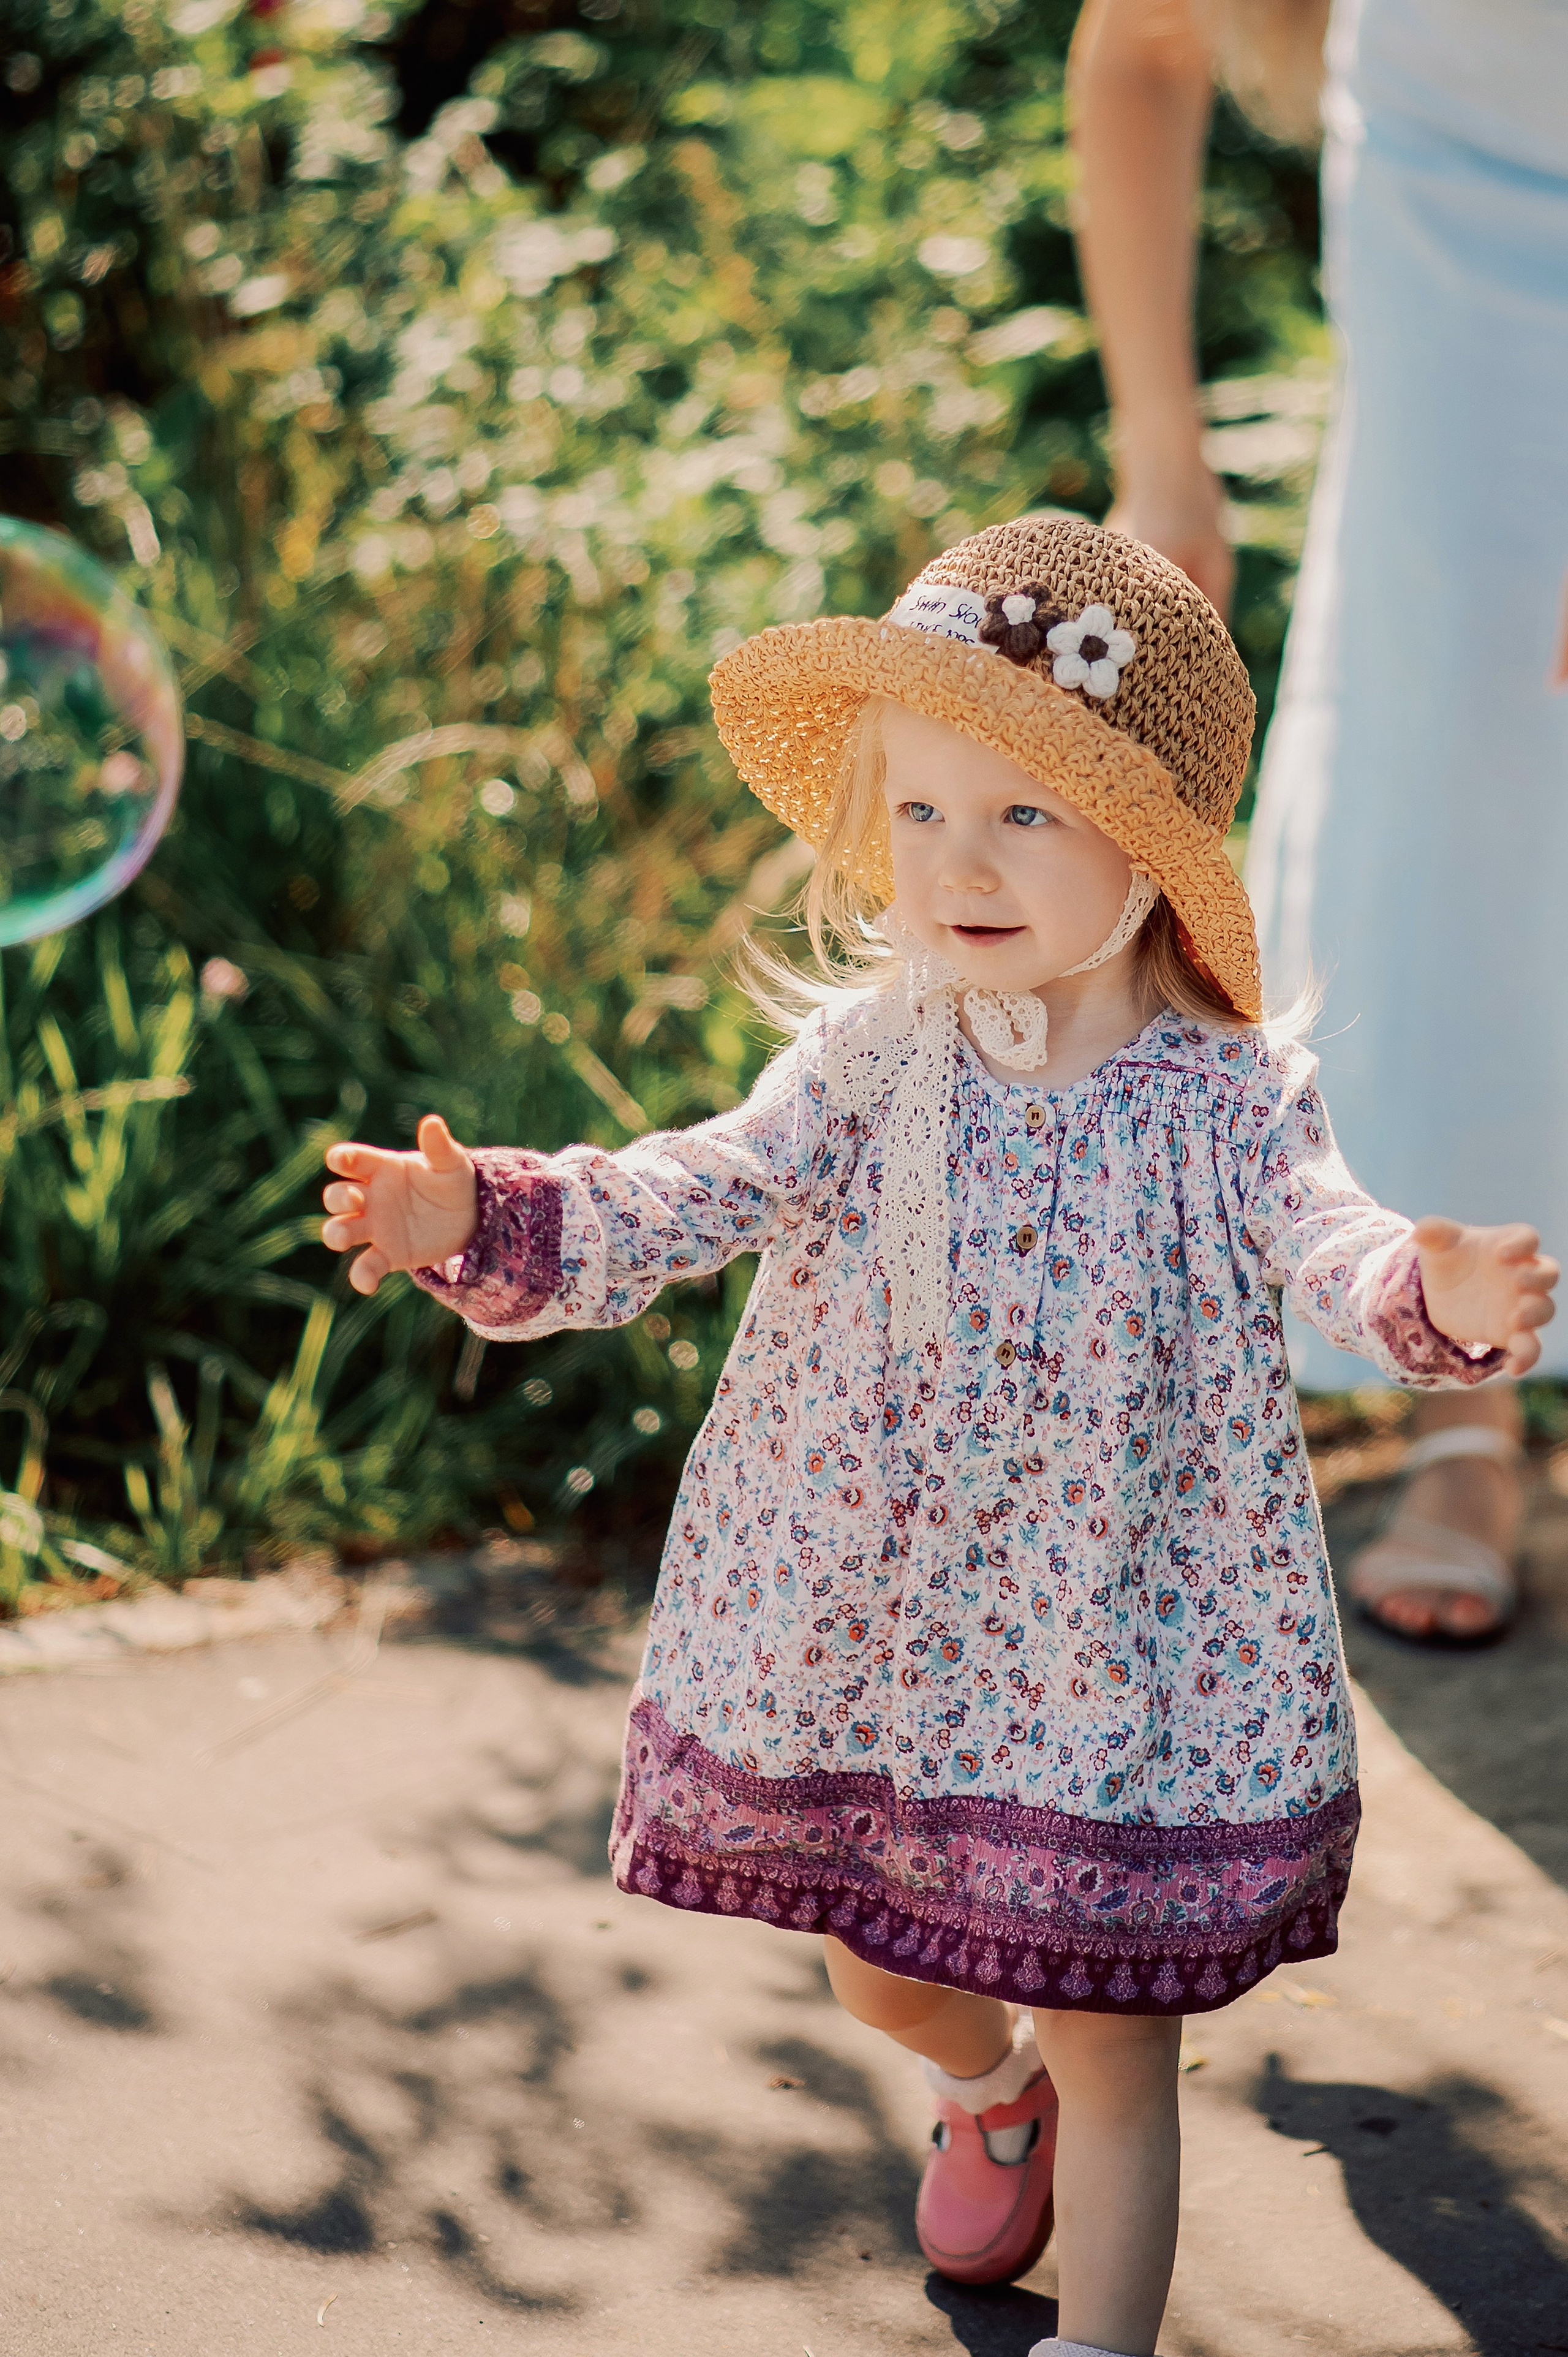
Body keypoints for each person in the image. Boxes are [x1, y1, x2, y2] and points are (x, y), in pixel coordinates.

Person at [320, 516, 1556, 2357]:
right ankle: (988, 2095)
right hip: (889, 1640)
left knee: (1120, 2037)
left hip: (1123, 1648)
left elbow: (1335, 1244)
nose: (958, 862)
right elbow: (689, 1190)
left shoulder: (1225, 1097)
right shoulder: (869, 1061)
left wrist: (1434, 1291)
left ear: (1147, 839)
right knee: (883, 1976)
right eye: (920, 812)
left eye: (1025, 814)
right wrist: (485, 1215)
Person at [1069, 0, 1568, 1644]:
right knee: (1455, 795)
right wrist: (1165, 461)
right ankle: (1467, 1405)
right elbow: (1146, 49)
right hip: (1451, 267)